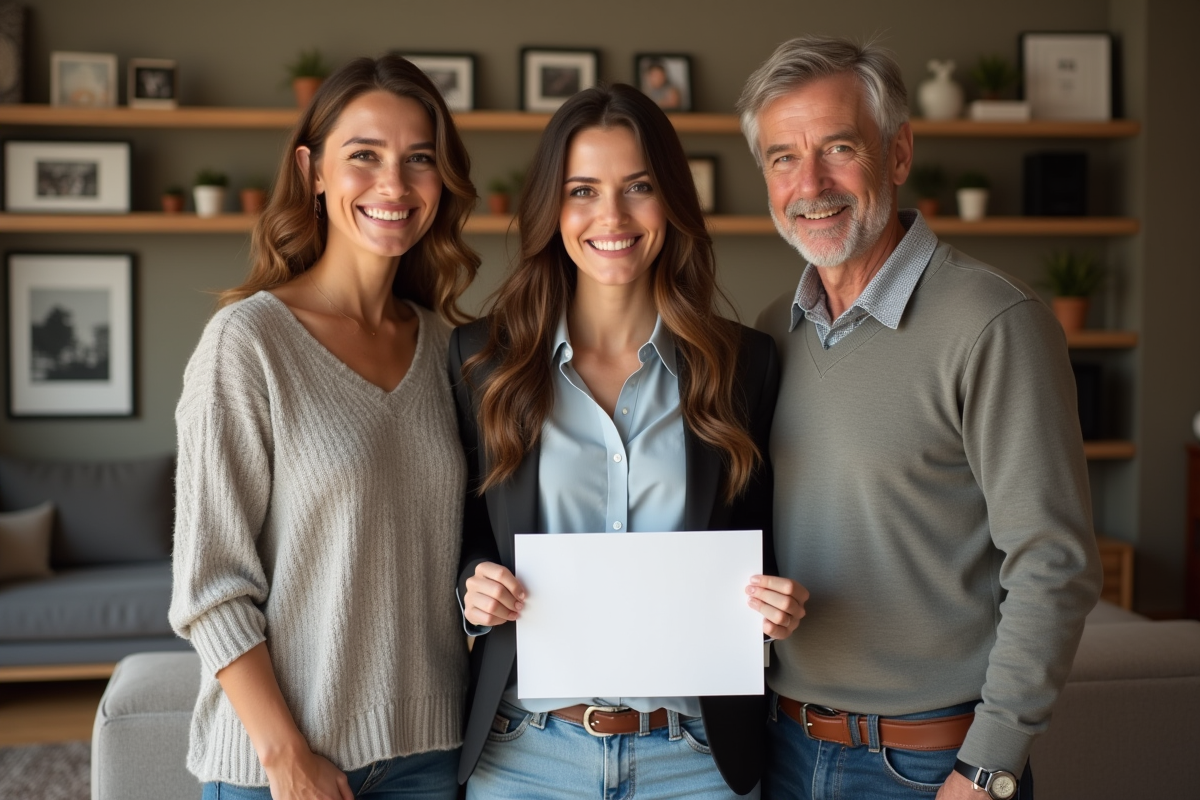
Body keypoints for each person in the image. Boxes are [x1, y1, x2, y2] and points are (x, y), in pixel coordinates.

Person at [737, 36, 1103, 800]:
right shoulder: (772, 331)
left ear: (898, 154)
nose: (810, 184)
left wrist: (988, 766)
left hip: (930, 766)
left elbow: (1053, 563)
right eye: (782, 158)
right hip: (780, 748)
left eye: (838, 148)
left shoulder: (994, 322)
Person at [450, 83, 807, 800]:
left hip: (696, 761)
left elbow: (763, 541)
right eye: (582, 189)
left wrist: (780, 606)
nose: (610, 216)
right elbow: (462, 529)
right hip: (527, 757)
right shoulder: (481, 360)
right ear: (552, 206)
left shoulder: (747, 365)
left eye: (638, 187)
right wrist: (471, 585)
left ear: (671, 200)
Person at [169, 55, 481, 800]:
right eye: (364, 156)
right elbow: (210, 585)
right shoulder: (249, 343)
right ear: (311, 170)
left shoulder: (453, 351)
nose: (394, 186)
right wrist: (286, 760)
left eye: (420, 160)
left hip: (435, 755)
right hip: (282, 768)